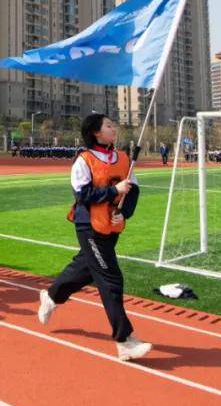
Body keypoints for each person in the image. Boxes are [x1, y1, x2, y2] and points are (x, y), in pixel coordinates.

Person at [36, 113, 151, 362]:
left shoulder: (123, 158)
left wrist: (124, 212)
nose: (114, 128)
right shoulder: (84, 160)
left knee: (87, 268)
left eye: (113, 125)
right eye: (109, 125)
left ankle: (52, 295)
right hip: (89, 225)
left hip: (111, 224)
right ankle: (124, 340)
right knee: (110, 277)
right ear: (96, 132)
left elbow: (133, 190)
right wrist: (113, 190)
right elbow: (83, 194)